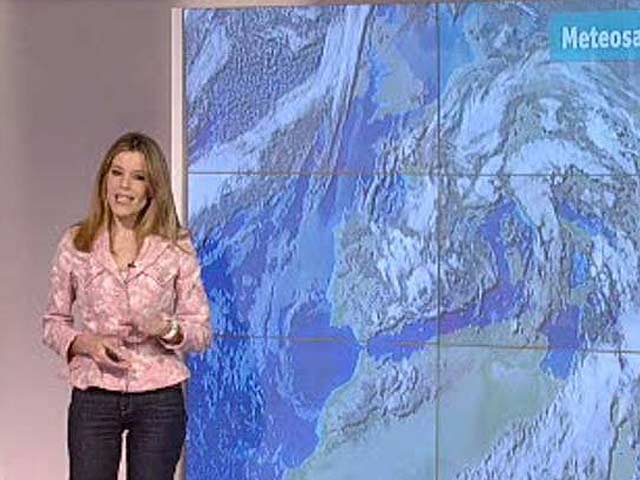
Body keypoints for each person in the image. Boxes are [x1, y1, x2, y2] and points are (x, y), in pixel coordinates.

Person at [42, 131, 212, 480]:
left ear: (152, 189)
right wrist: (84, 343)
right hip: (94, 395)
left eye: (138, 177)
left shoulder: (176, 247)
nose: (124, 186)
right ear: (104, 179)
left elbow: (201, 332)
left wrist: (166, 328)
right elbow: (53, 322)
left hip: (159, 400)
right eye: (117, 173)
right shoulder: (76, 242)